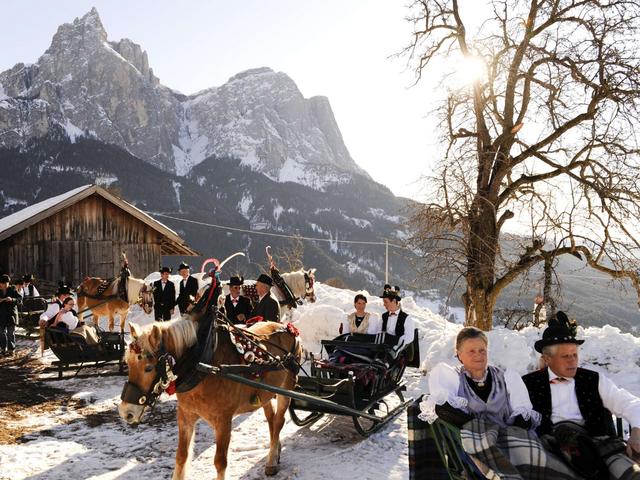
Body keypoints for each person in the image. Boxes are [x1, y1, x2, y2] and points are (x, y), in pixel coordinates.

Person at [418, 327, 576, 479]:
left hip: (509, 444)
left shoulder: (507, 377)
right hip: (471, 451)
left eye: (482, 350)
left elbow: (524, 415)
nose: (478, 355)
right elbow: (445, 410)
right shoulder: (450, 378)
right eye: (471, 351)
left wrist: (510, 436)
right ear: (459, 355)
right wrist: (484, 432)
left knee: (541, 461)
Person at [522, 311, 640, 479]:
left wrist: (636, 433)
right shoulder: (527, 384)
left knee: (633, 475)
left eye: (575, 355)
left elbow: (632, 404)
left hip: (598, 447)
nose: (573, 361)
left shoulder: (593, 380)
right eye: (566, 356)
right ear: (547, 359)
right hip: (550, 450)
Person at [378, 285, 415, 357]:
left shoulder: (406, 318)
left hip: (399, 351)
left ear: (394, 301)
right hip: (384, 348)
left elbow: (409, 337)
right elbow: (379, 331)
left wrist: (395, 346)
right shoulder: (384, 316)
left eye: (386, 302)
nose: (384, 304)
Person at [0, 274, 21, 356]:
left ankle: (11, 349)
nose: (5, 285)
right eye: (3, 283)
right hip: (1, 316)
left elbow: (20, 300)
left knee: (10, 333)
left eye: (6, 283)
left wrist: (12, 299)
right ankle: (2, 348)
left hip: (11, 315)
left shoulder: (12, 289)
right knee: (1, 333)